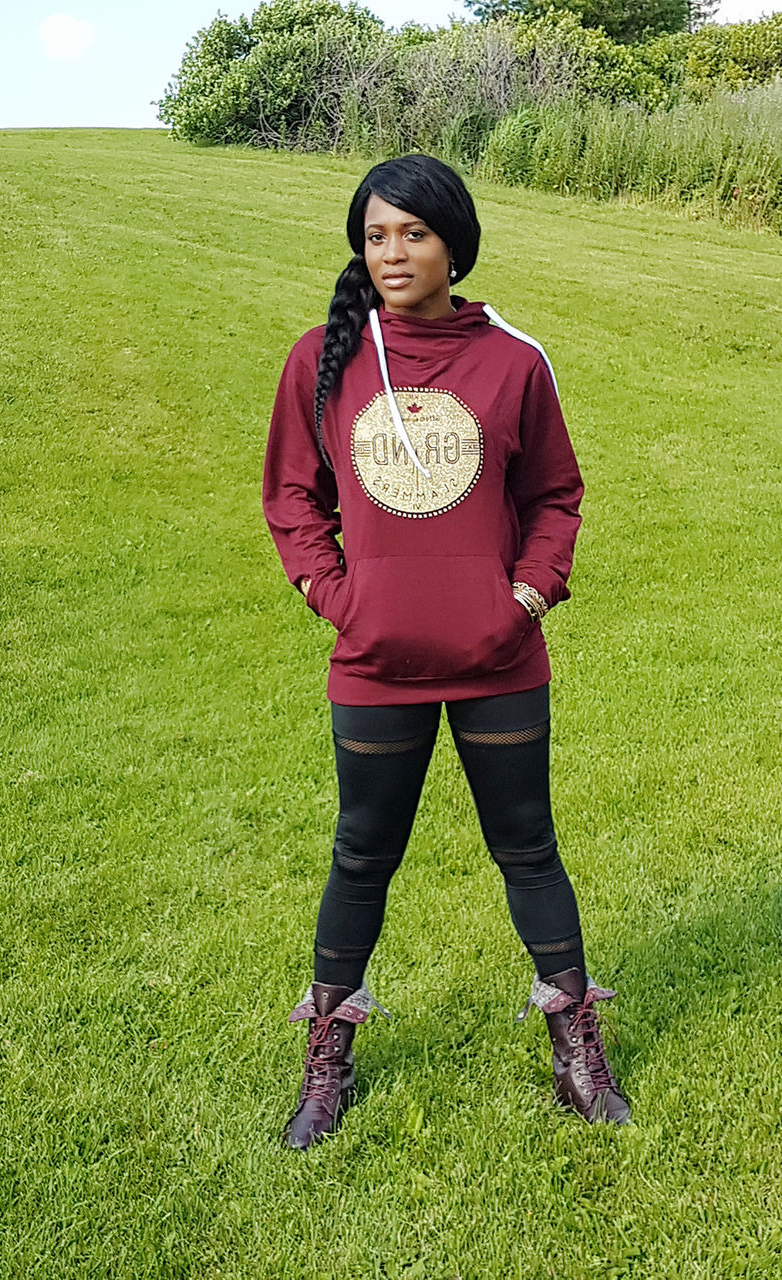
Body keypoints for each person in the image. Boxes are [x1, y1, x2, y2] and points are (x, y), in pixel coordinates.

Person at [262, 154, 629, 1151]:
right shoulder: (322, 358)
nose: (392, 252)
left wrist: (524, 593)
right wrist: (337, 596)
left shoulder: (513, 359)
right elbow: (293, 496)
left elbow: (557, 494)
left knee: (529, 847)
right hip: (375, 661)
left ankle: (575, 1046)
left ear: (453, 243)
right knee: (361, 854)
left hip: (499, 656)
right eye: (376, 235)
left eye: (413, 233)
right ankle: (327, 1059)